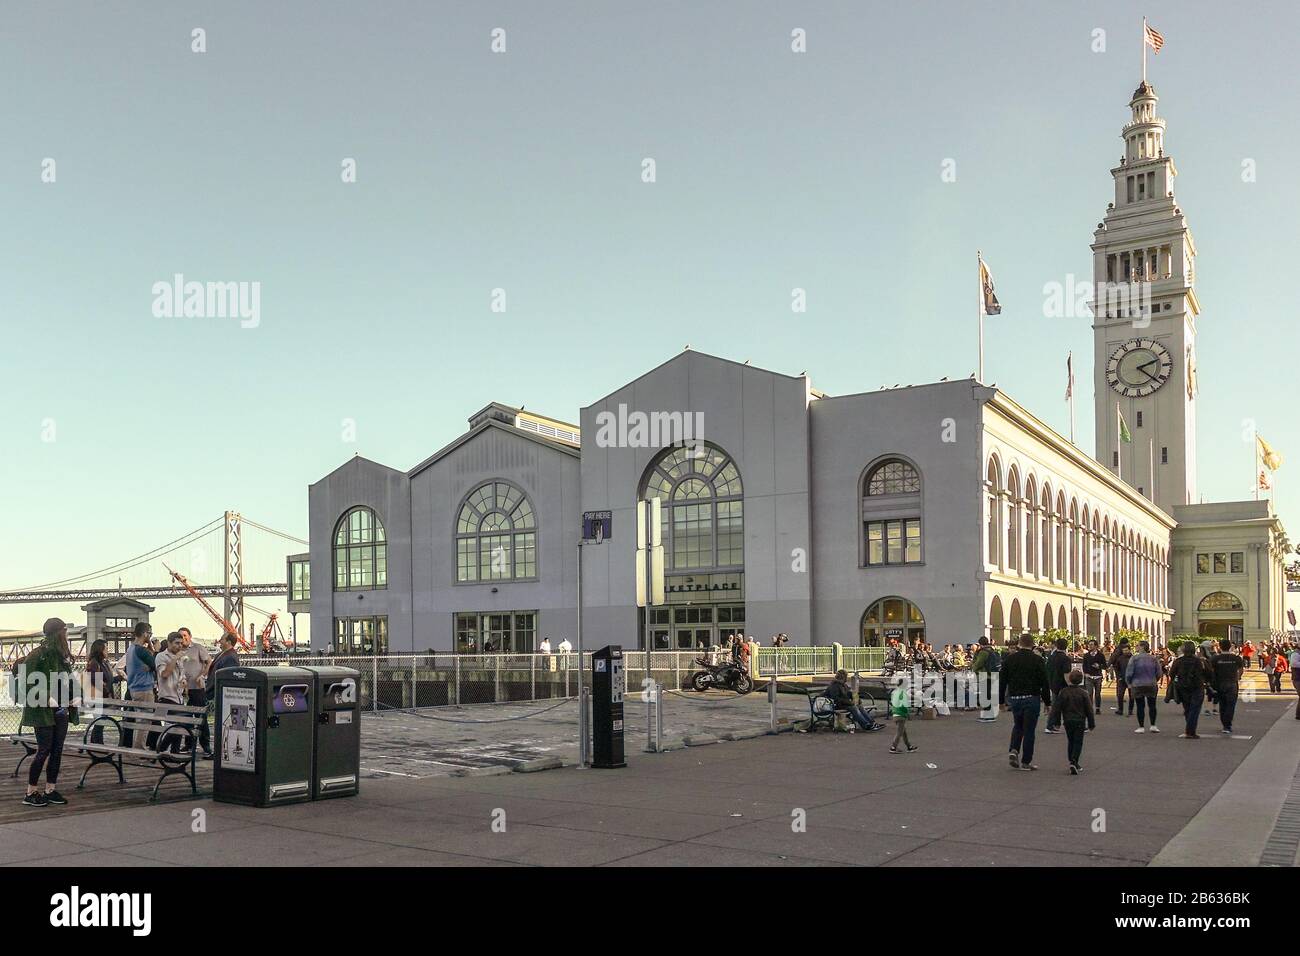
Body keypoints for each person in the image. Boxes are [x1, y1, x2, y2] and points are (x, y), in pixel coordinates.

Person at [18, 618, 79, 807]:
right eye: (65, 632)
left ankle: (50, 789)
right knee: (43, 750)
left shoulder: (60, 655)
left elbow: (69, 679)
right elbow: (25, 682)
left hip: (61, 710)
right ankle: (31, 792)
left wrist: (77, 695)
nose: (66, 636)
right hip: (43, 711)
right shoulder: (38, 654)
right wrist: (45, 698)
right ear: (58, 633)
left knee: (57, 751)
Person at [1003, 632, 1051, 771]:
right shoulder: (1038, 660)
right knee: (1029, 730)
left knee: (1018, 725)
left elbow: (1003, 681)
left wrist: (1001, 701)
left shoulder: (1010, 659)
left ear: (1019, 644)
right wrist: (1047, 703)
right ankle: (1026, 761)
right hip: (1032, 698)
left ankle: (1013, 749)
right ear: (1032, 645)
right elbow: (1044, 683)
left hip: (1015, 699)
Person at [1048, 670, 1095, 774]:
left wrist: (1056, 722)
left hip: (1068, 720)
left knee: (1071, 740)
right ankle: (1074, 761)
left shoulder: (1063, 692)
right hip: (1080, 720)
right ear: (1081, 680)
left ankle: (1071, 760)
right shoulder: (1083, 693)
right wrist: (1091, 723)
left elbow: (1057, 708)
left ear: (1069, 679)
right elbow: (1089, 709)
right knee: (1078, 741)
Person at [178, 627, 213, 758]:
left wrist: (202, 676)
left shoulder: (197, 648)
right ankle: (189, 744)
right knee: (187, 718)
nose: (183, 638)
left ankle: (206, 745)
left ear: (190, 636)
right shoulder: (178, 651)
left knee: (201, 718)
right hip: (183, 690)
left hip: (197, 688)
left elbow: (209, 662)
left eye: (185, 635)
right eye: (181, 636)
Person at [122, 622, 157, 749]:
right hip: (144, 689)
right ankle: (140, 747)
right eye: (150, 633)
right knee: (145, 720)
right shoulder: (141, 650)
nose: (150, 636)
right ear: (145, 633)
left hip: (133, 688)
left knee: (139, 720)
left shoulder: (131, 648)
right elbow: (155, 664)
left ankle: (137, 745)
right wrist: (152, 647)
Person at [1168, 641, 1210, 739]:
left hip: (1183, 687)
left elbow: (1171, 673)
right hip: (1197, 686)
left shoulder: (1178, 661)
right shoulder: (1199, 661)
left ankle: (1190, 730)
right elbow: (1208, 673)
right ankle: (1190, 731)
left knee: (1187, 708)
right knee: (1195, 709)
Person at [1208, 638, 1244, 735]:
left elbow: (1210, 670)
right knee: (1231, 705)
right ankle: (1227, 725)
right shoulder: (1236, 658)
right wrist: (1238, 677)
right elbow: (1241, 669)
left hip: (1219, 683)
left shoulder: (1215, 658)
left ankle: (1224, 724)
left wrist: (1212, 680)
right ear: (1230, 647)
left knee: (1222, 704)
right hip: (1232, 683)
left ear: (1220, 647)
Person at [1125, 641, 1162, 734]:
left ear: (1142, 647)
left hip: (1137, 684)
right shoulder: (1153, 658)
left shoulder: (1134, 658)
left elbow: (1129, 672)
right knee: (1152, 705)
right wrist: (1155, 680)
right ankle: (1153, 725)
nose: (1136, 647)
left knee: (1140, 705)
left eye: (1137, 645)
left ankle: (1141, 726)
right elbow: (1159, 672)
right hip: (1151, 683)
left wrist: (1129, 682)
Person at [82, 639, 114, 745]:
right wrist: (106, 689)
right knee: (100, 721)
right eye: (106, 648)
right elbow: (95, 680)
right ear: (100, 650)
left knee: (101, 720)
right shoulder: (95, 663)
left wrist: (119, 678)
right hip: (98, 696)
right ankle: (98, 744)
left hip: (103, 696)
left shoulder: (103, 663)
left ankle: (93, 742)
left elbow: (108, 678)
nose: (107, 651)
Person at [1043, 638, 1073, 734]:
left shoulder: (1051, 657)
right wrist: (1071, 685)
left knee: (1057, 705)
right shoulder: (1065, 658)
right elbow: (1066, 674)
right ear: (1066, 646)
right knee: (1063, 706)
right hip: (1062, 685)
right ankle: (1051, 725)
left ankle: (1056, 724)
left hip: (1052, 683)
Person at [970, 637, 1001, 720]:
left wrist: (974, 667)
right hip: (992, 674)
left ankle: (987, 716)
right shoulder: (992, 650)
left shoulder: (983, 652)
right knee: (989, 695)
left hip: (984, 675)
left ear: (980, 643)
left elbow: (978, 664)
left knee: (985, 696)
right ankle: (991, 714)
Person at [888, 678, 917, 754]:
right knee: (899, 733)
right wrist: (907, 713)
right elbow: (904, 704)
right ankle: (893, 747)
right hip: (901, 714)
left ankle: (909, 746)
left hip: (895, 713)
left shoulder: (895, 692)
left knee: (903, 732)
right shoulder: (903, 693)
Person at [1081, 640, 1106, 715]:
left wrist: (1099, 666)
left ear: (1095, 646)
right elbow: (1084, 666)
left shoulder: (1100, 655)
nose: (1090, 646)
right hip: (1089, 676)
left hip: (1098, 676)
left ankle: (1098, 708)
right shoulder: (1086, 655)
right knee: (1089, 693)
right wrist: (1085, 673)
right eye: (1089, 644)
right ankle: (1090, 708)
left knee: (1097, 694)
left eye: (1091, 645)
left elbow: (1105, 665)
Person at [1109, 639, 1133, 716]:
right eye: (1124, 650)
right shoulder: (1120, 658)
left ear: (1129, 650)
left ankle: (1130, 710)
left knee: (1132, 696)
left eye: (1126, 650)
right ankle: (1120, 709)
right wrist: (1119, 676)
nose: (1125, 652)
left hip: (1131, 679)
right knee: (1120, 695)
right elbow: (1117, 667)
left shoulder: (1133, 658)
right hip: (1122, 679)